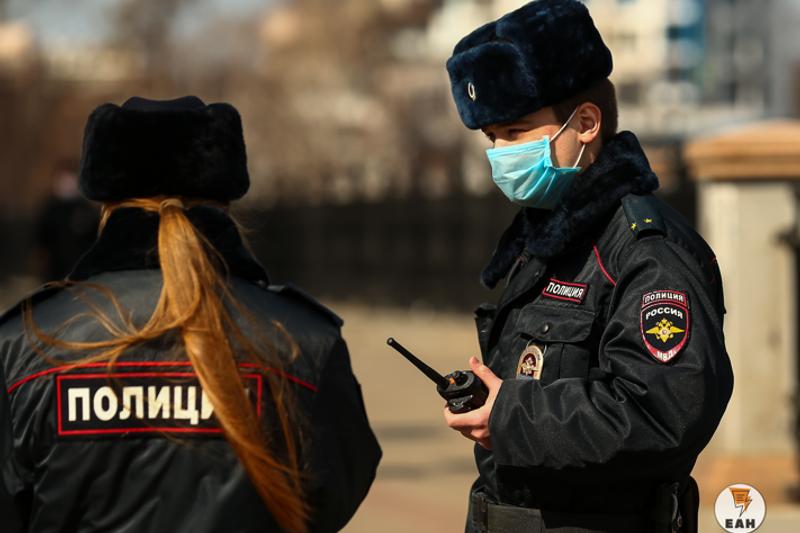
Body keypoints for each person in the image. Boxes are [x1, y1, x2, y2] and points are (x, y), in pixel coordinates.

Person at [0, 96, 380, 533]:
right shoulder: (304, 340)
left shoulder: (24, 344)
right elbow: (333, 493)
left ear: (105, 204)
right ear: (225, 202)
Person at [441, 1, 733, 532]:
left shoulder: (647, 251)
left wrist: (513, 413)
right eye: (491, 138)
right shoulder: (548, 239)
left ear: (586, 124)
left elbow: (665, 411)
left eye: (515, 131)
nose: (500, 153)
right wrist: (493, 406)